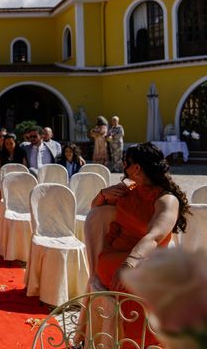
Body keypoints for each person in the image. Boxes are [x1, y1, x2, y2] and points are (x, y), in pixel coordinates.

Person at [92, 142, 189, 344]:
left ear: (136, 168)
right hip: (113, 260)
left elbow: (153, 236)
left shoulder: (167, 200)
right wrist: (102, 194)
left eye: (125, 163)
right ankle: (140, 344)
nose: (122, 168)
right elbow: (95, 210)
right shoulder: (126, 190)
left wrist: (130, 262)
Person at [0, 133, 27, 203]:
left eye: (11, 143)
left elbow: (25, 167)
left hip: (19, 176)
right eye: (6, 144)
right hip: (3, 177)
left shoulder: (22, 152)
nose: (9, 146)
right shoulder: (0, 154)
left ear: (15, 142)